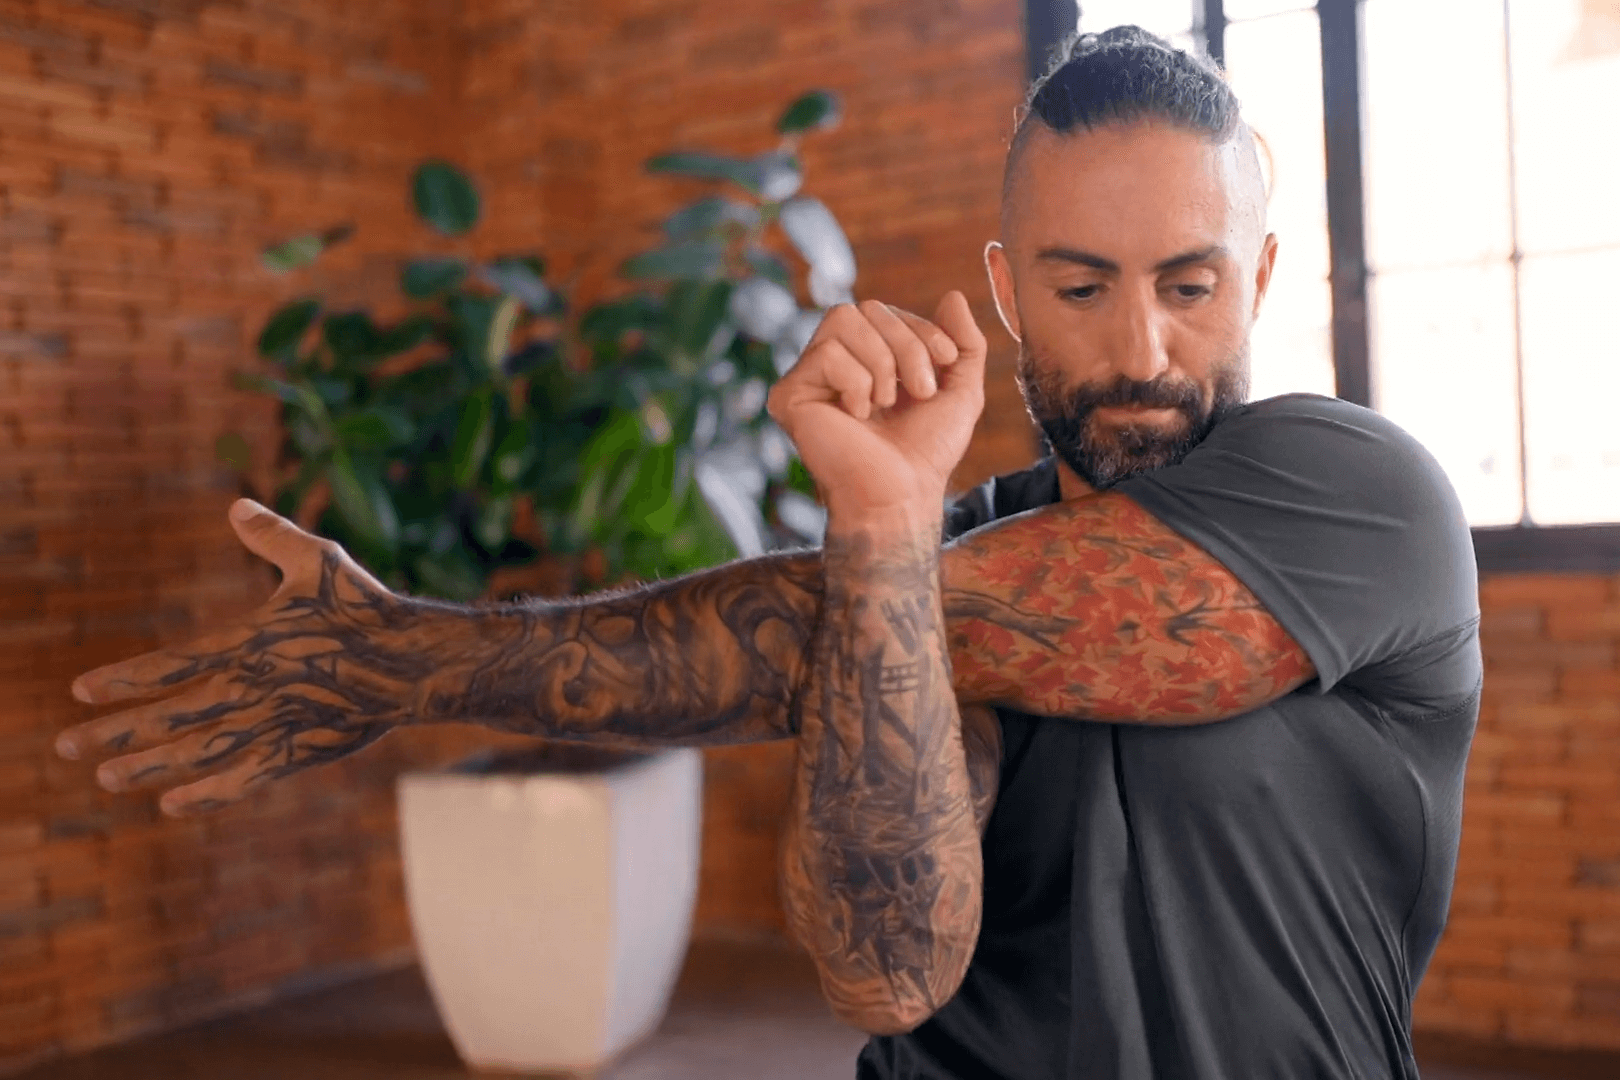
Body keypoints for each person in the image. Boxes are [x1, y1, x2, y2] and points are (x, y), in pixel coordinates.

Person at [56, 27, 1480, 1080]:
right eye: (1081, 284)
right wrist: (876, 523)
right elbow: (885, 969)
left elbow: (888, 630)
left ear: (1265, 278)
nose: (1140, 350)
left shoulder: (1362, 495)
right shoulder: (923, 554)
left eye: (1190, 283)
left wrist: (406, 659)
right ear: (1004, 289)